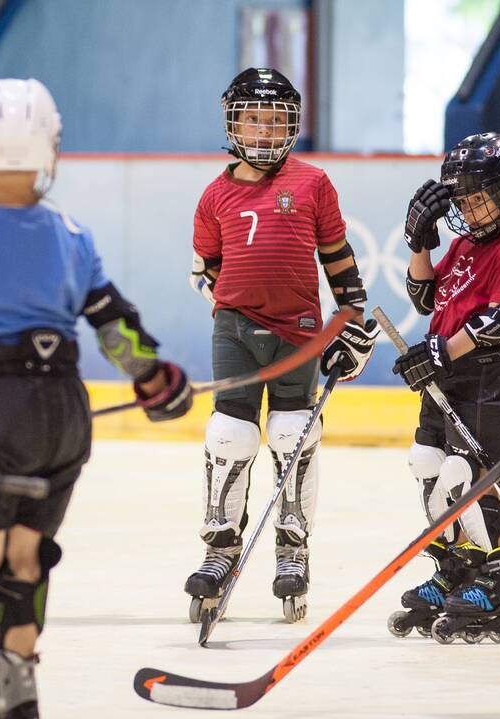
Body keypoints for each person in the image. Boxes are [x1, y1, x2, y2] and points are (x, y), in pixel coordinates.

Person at [0, 77, 193, 719]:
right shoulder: (74, 235)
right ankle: (20, 692)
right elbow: (115, 325)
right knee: (27, 552)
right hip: (64, 416)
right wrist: (153, 378)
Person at [185, 67, 378, 624]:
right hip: (234, 330)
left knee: (294, 433)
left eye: (276, 123)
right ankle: (220, 548)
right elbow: (205, 270)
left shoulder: (314, 184)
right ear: (233, 124)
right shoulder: (214, 195)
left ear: (292, 126)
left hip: (300, 334)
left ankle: (292, 549)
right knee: (229, 432)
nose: (265, 133)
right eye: (254, 121)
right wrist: (232, 306)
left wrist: (352, 325)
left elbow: (339, 261)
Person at [389, 132, 500, 644]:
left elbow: (498, 321)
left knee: (467, 476)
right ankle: (456, 564)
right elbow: (423, 297)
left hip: (490, 380)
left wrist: (438, 353)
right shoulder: (460, 244)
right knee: (427, 467)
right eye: (463, 201)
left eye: (481, 199)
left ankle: (499, 579)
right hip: (448, 378)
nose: (471, 211)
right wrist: (419, 242)